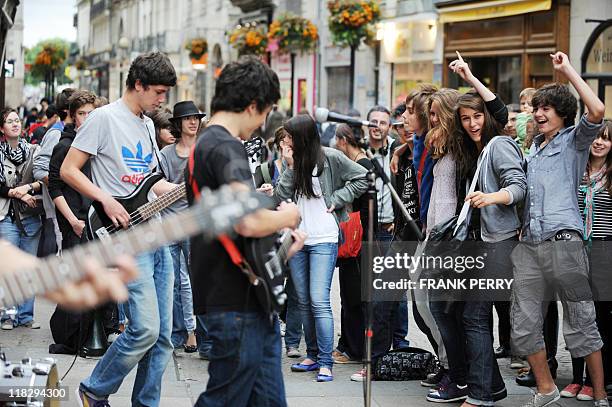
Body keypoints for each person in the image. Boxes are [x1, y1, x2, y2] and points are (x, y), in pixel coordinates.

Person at [61, 52, 179, 406]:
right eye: (158, 92)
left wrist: (190, 187)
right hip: (124, 239)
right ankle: (95, 389)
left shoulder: (146, 124)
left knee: (162, 338)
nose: (162, 100)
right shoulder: (103, 119)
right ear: (138, 84)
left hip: (156, 233)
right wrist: (106, 200)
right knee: (143, 329)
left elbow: (151, 182)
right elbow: (69, 170)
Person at [186, 55, 304, 406]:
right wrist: (289, 217)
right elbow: (246, 222)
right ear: (253, 105)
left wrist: (282, 250)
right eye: (266, 112)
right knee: (224, 399)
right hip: (235, 300)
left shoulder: (206, 145)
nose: (264, 122)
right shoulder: (226, 147)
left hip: (247, 296)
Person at [510, 51, 607, 407]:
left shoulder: (574, 141)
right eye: (537, 108)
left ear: (562, 113)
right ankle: (547, 388)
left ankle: (599, 396)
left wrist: (567, 70)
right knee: (522, 325)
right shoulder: (532, 149)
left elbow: (596, 111)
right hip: (530, 246)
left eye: (547, 108)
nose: (539, 114)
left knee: (582, 322)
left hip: (564, 242)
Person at [276, 114, 368, 382]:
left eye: (290, 136)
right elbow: (280, 196)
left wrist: (339, 198)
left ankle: (326, 361)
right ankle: (313, 355)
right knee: (303, 300)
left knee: (319, 300)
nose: (287, 141)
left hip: (324, 238)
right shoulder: (294, 161)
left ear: (302, 136)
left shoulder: (329, 157)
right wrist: (288, 164)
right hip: (298, 238)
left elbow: (362, 177)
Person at [563, 120, 612, 401]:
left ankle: (598, 381)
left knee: (601, 317)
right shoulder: (575, 172)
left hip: (605, 251)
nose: (600, 142)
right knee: (576, 314)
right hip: (574, 248)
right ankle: (576, 378)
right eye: (596, 136)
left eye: (606, 138)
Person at [160, 100, 205, 354]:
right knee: (172, 281)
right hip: (168, 224)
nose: (193, 121)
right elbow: (156, 186)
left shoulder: (203, 150)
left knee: (193, 280)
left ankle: (194, 331)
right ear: (178, 123)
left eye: (196, 118)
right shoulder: (166, 154)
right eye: (187, 118)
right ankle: (177, 332)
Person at [332, 123, 374, 365]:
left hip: (358, 239)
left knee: (354, 295)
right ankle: (348, 345)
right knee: (350, 295)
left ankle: (355, 349)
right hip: (356, 237)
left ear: (344, 141)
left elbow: (367, 206)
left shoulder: (362, 166)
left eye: (337, 140)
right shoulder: (360, 163)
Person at [0, 107, 44, 330]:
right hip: (6, 216)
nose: (15, 124)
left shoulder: (34, 151)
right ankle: (8, 315)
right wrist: (16, 193)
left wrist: (28, 189)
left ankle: (26, 315)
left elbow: (44, 178)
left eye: (17, 120)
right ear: (2, 128)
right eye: (10, 121)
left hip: (31, 216)